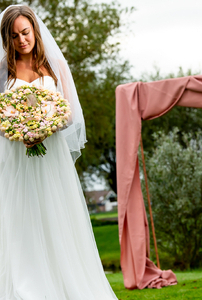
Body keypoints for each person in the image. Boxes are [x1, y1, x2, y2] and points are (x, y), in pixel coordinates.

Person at [0, 5, 118, 300]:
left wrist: (44, 128)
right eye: (14, 36)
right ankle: (24, 285)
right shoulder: (4, 70)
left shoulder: (55, 66)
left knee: (55, 214)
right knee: (20, 217)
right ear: (7, 39)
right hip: (15, 155)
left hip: (51, 154)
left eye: (25, 33)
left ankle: (64, 281)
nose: (21, 40)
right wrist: (18, 131)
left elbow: (70, 113)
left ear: (35, 31)